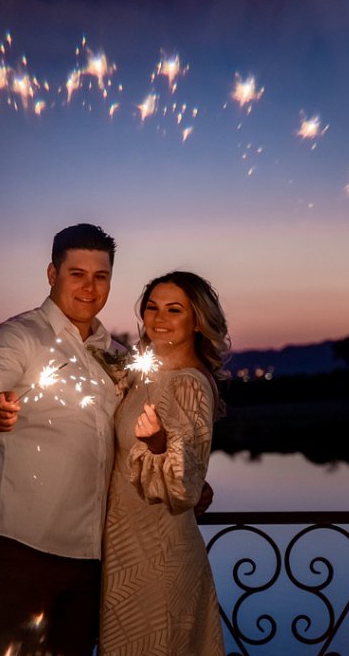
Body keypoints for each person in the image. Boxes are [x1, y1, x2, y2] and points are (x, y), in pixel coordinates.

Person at [0, 223, 124, 656]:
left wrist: (186, 481)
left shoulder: (118, 355)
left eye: (100, 276)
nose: (89, 287)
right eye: (77, 274)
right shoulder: (20, 336)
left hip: (94, 554)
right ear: (52, 274)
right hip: (26, 549)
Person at [99, 271, 229, 655]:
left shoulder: (189, 384)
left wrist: (158, 443)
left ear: (197, 322)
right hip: (124, 554)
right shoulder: (144, 376)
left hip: (158, 559)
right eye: (152, 308)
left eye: (174, 310)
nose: (159, 318)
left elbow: (185, 482)